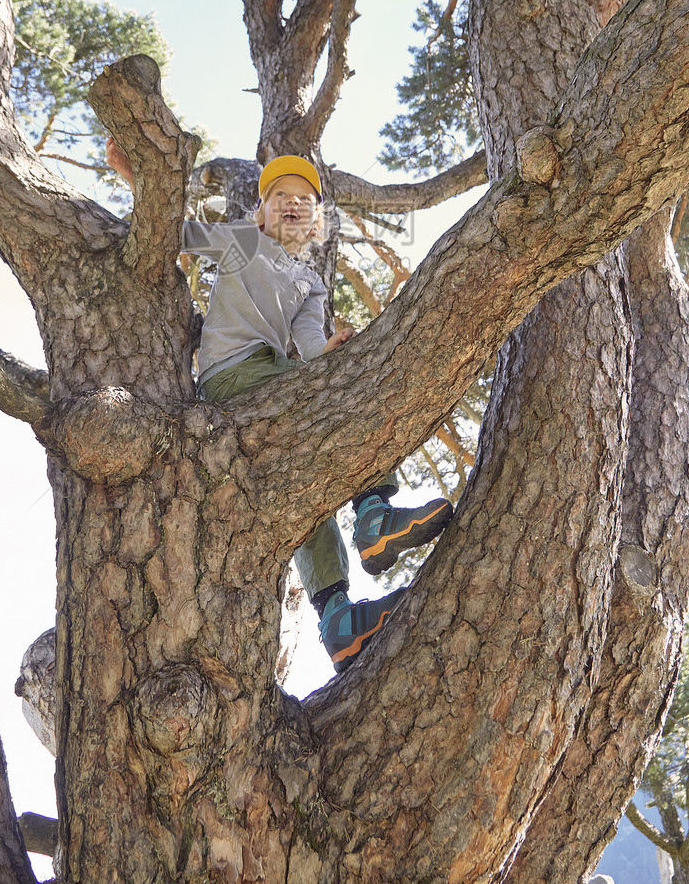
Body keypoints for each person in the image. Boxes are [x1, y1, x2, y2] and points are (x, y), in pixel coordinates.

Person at [107, 141, 452, 671]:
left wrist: (332, 353)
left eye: (304, 200)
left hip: (276, 377)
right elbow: (181, 232)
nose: (292, 204)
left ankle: (342, 608)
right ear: (261, 213)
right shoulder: (243, 242)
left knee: (307, 480)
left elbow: (311, 341)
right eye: (279, 197)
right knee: (332, 401)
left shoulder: (311, 282)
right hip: (235, 374)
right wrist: (139, 180)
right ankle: (372, 522)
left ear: (317, 222)